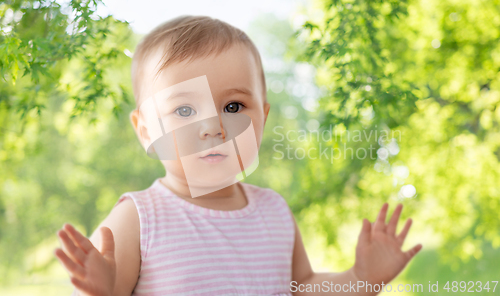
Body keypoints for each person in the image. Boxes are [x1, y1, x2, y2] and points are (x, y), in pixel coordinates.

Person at [54, 15, 422, 296]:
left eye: (233, 105)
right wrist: (102, 287)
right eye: (184, 110)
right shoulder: (140, 217)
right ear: (147, 130)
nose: (212, 127)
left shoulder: (274, 211)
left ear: (262, 116)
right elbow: (108, 283)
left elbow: (302, 286)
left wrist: (360, 279)